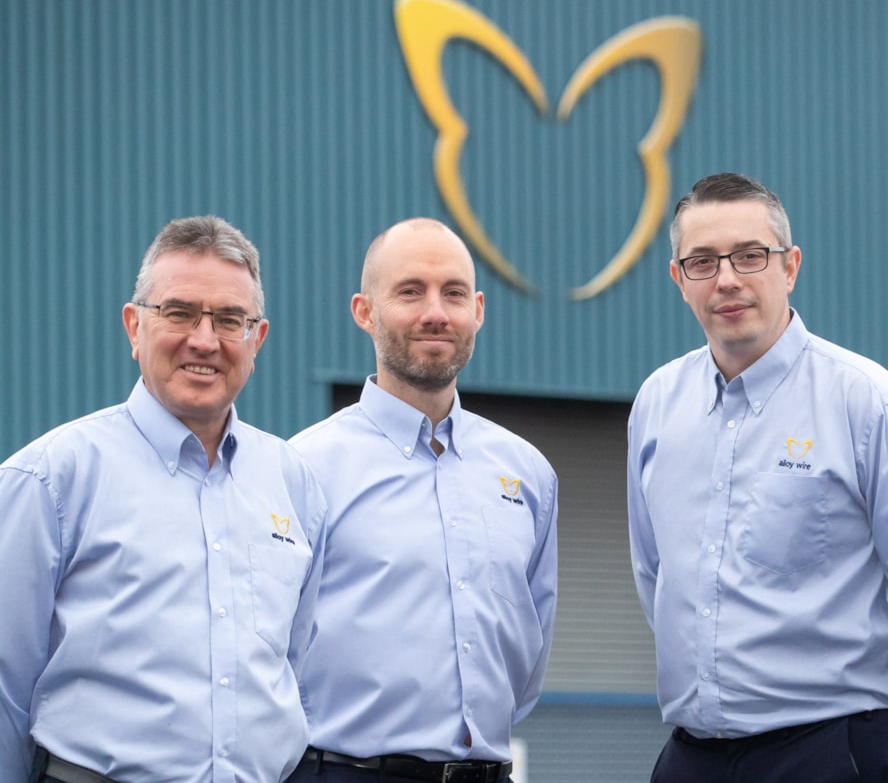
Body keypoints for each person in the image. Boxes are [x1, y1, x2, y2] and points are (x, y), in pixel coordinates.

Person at [627, 172, 888, 783]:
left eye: (750, 256)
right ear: (679, 279)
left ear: (790, 265)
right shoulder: (657, 404)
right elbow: (656, 575)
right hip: (692, 756)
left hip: (833, 751)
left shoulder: (868, 404)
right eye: (701, 261)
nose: (726, 278)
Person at [0, 216, 328, 783]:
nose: (204, 340)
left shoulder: (294, 483)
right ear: (134, 326)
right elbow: (5, 680)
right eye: (178, 312)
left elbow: (293, 663)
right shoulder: (52, 478)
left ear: (258, 339)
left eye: (230, 319)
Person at [286, 218, 558, 783]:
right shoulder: (302, 470)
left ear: (478, 310)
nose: (436, 311)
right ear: (365, 311)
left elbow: (528, 661)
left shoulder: (528, 474)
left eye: (454, 293)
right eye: (410, 291)